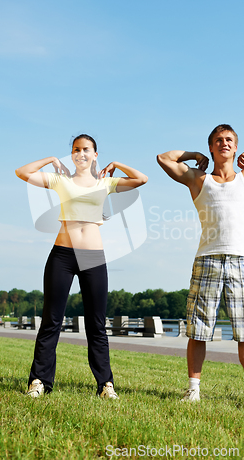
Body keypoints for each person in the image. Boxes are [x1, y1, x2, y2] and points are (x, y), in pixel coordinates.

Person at [157, 124, 244, 407]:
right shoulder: (199, 179)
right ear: (211, 147)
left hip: (239, 260)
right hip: (206, 259)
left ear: (235, 145)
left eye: (229, 140)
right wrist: (193, 154)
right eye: (218, 140)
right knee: (198, 329)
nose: (224, 143)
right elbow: (164, 158)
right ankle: (193, 389)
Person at [15, 134, 148, 399]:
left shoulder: (105, 183)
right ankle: (39, 382)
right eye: (76, 149)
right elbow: (22, 172)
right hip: (62, 255)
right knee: (51, 321)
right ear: (72, 154)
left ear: (95, 154)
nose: (81, 153)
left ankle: (105, 385)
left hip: (93, 257)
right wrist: (52, 159)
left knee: (96, 324)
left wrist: (117, 164)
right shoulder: (60, 180)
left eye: (87, 149)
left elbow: (141, 178)